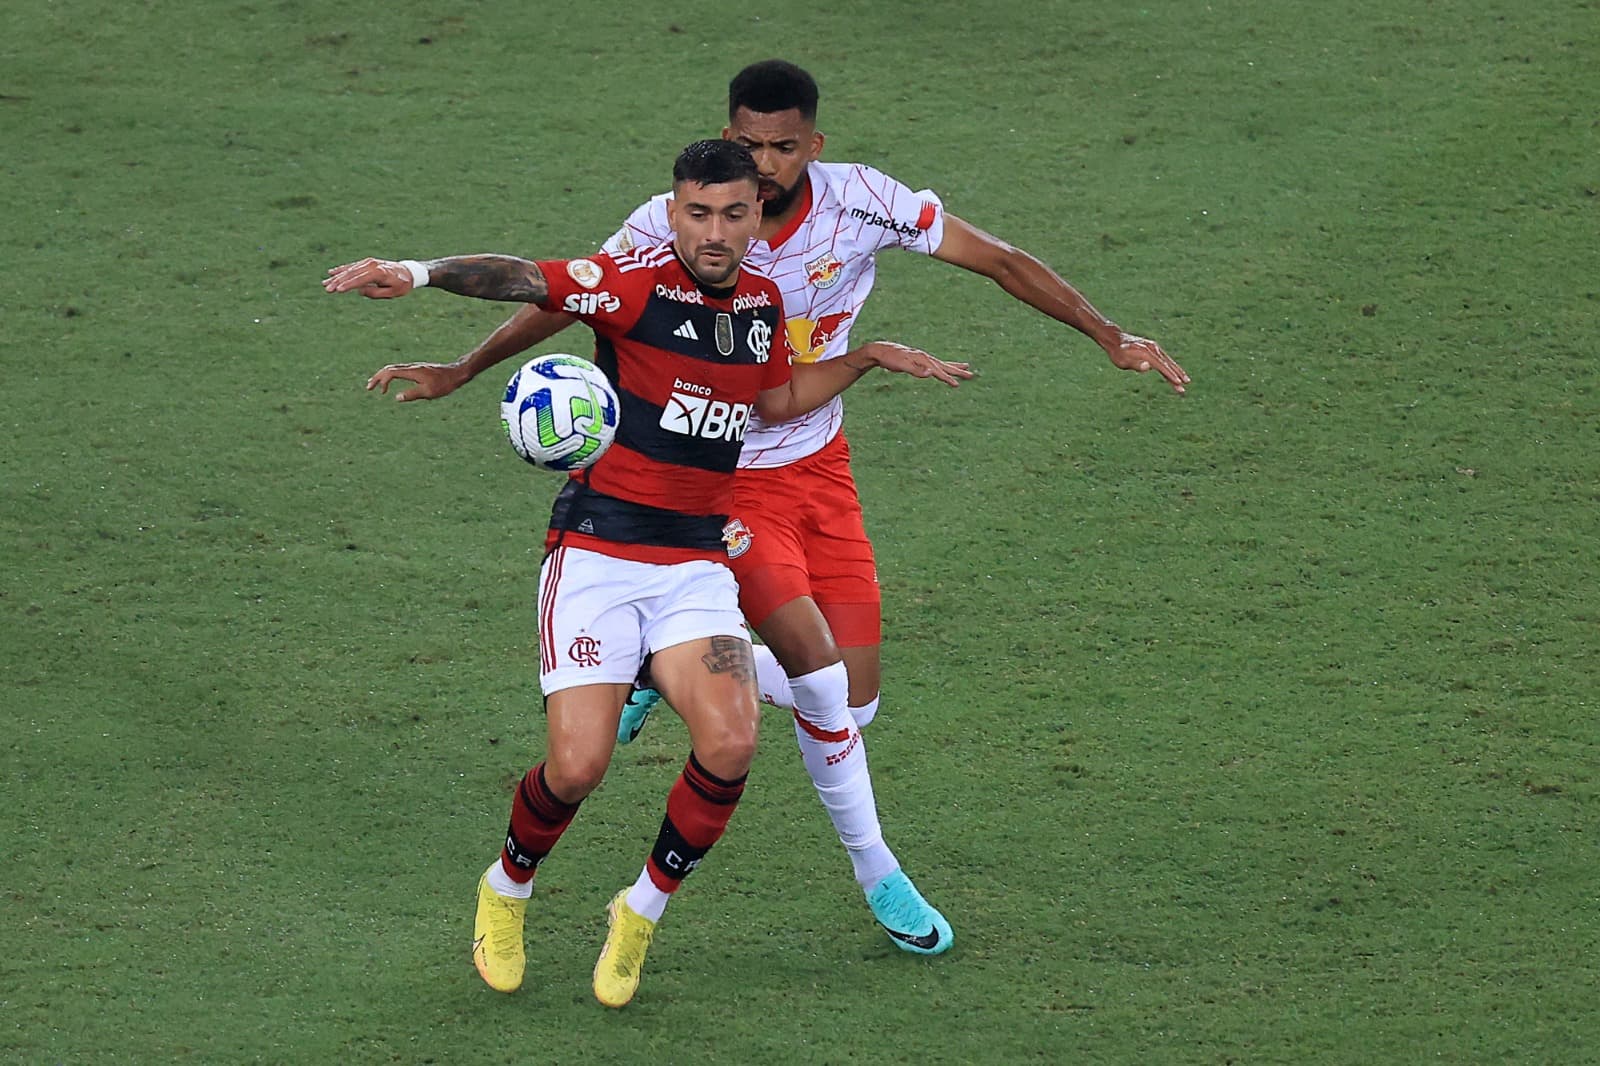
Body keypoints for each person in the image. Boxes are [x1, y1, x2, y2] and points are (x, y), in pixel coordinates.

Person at [367, 60, 1189, 957]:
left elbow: (992, 258)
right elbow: (573, 299)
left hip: (818, 462)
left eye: (781, 149)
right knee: (817, 679)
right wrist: (461, 366)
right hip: (718, 489)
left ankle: (650, 668)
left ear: (815, 146)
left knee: (854, 697)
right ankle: (877, 870)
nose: (761, 166)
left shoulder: (857, 207)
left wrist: (1106, 332)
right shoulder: (669, 222)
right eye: (747, 145)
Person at [323, 139, 970, 1008]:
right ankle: (507, 887)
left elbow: (770, 401)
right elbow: (524, 278)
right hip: (596, 554)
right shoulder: (632, 284)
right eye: (697, 213)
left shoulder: (763, 304)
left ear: (755, 218)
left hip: (696, 563)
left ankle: (638, 912)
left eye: (733, 214)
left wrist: (863, 358)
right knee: (578, 768)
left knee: (733, 743)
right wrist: (417, 271)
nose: (714, 231)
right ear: (672, 214)